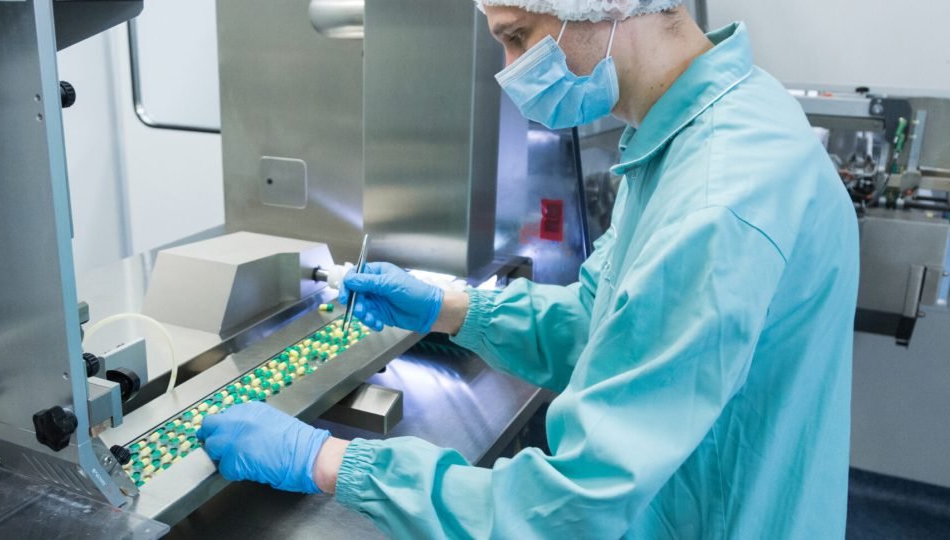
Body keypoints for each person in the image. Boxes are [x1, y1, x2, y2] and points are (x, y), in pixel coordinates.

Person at [198, 0, 859, 537]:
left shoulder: (715, 201)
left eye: (519, 37)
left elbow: (573, 508)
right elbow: (601, 325)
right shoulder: (694, 133)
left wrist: (324, 459)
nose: (510, 71)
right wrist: (450, 308)